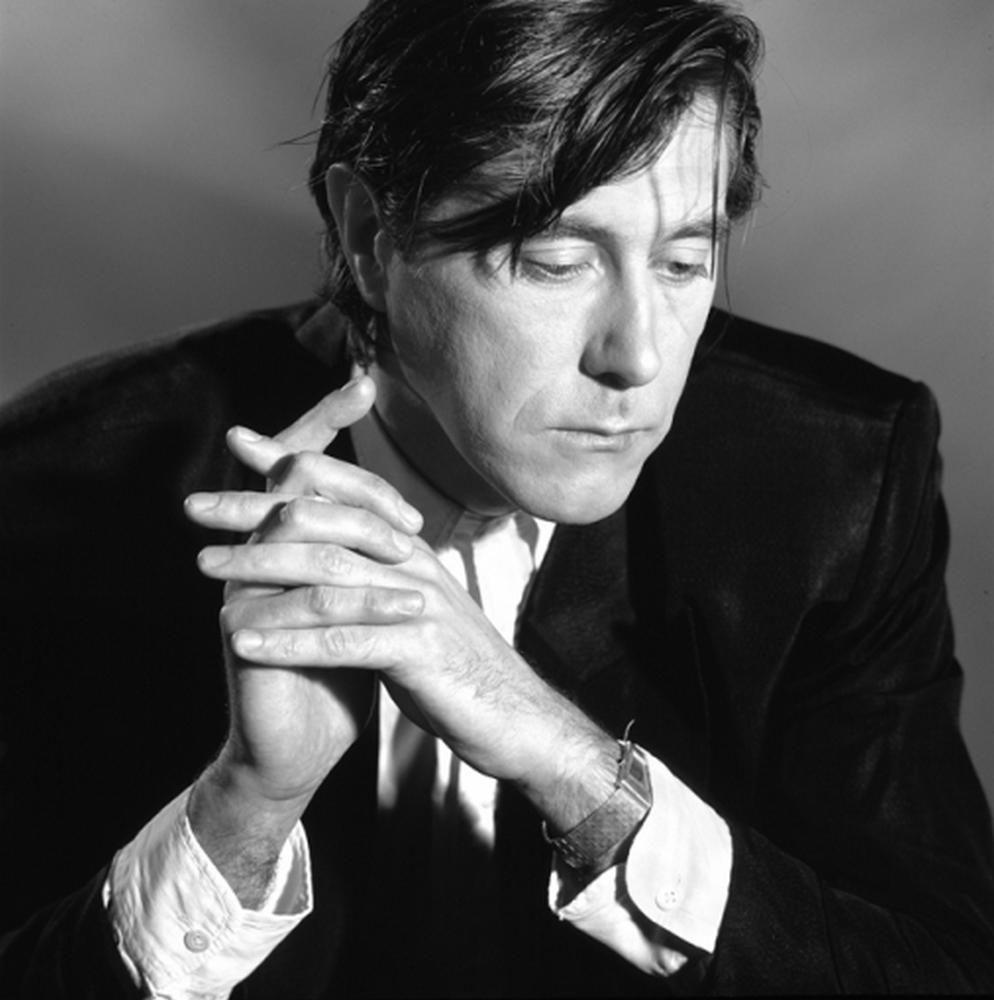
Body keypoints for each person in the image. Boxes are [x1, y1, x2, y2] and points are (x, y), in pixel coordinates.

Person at [1, 0, 992, 995]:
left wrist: (570, 764)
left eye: (685, 262)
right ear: (370, 238)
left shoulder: (835, 480)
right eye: (556, 262)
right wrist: (244, 811)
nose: (638, 356)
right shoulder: (54, 487)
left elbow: (945, 970)